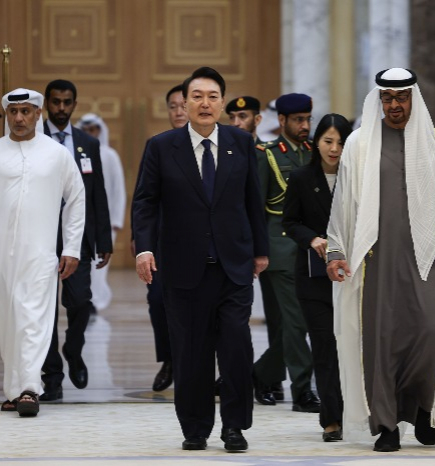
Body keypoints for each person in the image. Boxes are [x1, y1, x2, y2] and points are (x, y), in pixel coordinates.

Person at [326, 68, 435, 451]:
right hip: (376, 260)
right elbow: (344, 201)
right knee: (382, 342)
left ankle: (423, 410)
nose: (395, 105)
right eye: (387, 98)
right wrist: (336, 249)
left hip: (428, 258)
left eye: (401, 97)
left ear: (413, 97)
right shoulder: (361, 142)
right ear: (379, 101)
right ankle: (387, 425)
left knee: (432, 333)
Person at [133, 66, 269, 452]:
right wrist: (144, 248)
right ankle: (194, 428)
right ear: (184, 103)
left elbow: (252, 201)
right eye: (197, 96)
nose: (205, 103)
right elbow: (145, 203)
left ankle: (234, 427)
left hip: (233, 266)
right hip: (182, 267)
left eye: (212, 96)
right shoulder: (161, 146)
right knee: (191, 351)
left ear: (222, 102)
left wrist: (260, 251)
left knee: (235, 347)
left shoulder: (240, 143)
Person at [0, 88, 85, 417]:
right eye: (13, 112)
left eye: (26, 111)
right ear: (6, 115)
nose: (19, 118)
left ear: (37, 114)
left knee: (33, 318)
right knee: (7, 319)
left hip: (40, 254)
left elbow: (76, 199)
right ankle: (16, 389)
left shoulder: (56, 155)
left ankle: (30, 388)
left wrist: (71, 247)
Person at [40, 79, 113, 401]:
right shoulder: (32, 138)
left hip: (79, 238)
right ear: (46, 103)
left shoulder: (87, 143)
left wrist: (104, 240)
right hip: (39, 237)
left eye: (66, 102)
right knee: (43, 312)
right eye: (55, 102)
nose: (60, 108)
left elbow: (97, 193)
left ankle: (73, 348)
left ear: (74, 104)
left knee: (81, 301)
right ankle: (52, 377)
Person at [282, 113, 352, 442]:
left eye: (340, 142)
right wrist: (312, 238)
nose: (334, 149)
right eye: (328, 141)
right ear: (317, 143)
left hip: (353, 275)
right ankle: (331, 419)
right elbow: (290, 221)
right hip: (313, 278)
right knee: (324, 346)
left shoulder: (357, 178)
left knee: (351, 345)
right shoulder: (301, 177)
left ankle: (357, 411)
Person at [253, 93, 319, 412]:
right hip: (278, 250)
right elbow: (254, 207)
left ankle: (261, 374)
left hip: (311, 250)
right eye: (298, 120)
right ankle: (303, 389)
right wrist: (256, 251)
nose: (305, 125)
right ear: (281, 121)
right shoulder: (267, 155)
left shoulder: (313, 154)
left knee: (294, 323)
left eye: (307, 119)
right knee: (296, 322)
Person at [134, 84, 187, 393]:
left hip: (200, 243)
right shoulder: (156, 145)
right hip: (162, 241)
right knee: (157, 301)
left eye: (183, 105)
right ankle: (168, 359)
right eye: (172, 106)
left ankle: (197, 363)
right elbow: (143, 198)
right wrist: (141, 241)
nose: (178, 111)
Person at [78, 113, 126, 313]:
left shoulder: (109, 155)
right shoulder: (76, 153)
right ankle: (83, 299)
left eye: (93, 130)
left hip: (104, 221)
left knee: (99, 264)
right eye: (85, 130)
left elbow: (118, 188)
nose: (90, 134)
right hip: (80, 219)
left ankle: (95, 301)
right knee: (82, 262)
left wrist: (116, 219)